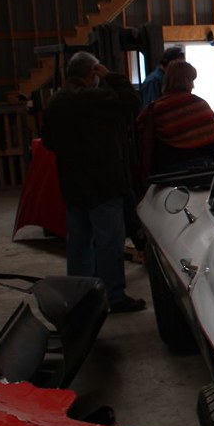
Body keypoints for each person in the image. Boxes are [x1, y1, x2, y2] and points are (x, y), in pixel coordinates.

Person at [41, 51, 145, 313]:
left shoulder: (55, 101)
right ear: (93, 73)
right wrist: (111, 76)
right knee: (109, 243)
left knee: (78, 244)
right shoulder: (93, 98)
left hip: (72, 184)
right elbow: (132, 101)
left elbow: (49, 141)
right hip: (103, 183)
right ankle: (113, 296)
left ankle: (80, 297)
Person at [137, 60, 214, 177]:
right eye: (192, 79)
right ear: (188, 81)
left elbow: (144, 141)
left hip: (168, 173)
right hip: (202, 170)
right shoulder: (199, 104)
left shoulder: (155, 108)